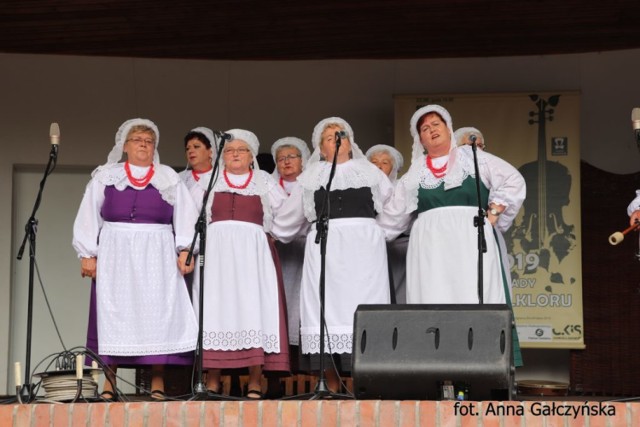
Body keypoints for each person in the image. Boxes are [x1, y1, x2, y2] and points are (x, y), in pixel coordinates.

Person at [381, 105, 526, 365]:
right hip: (430, 248)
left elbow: (513, 180)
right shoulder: (415, 173)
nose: (431, 130)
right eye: (424, 128)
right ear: (420, 140)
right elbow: (392, 218)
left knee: (473, 294)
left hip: (471, 240)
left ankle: (483, 365)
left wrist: (493, 212)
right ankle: (437, 366)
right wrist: (362, 237)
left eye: (436, 124)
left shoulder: (473, 157)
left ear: (448, 128)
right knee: (434, 296)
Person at [72, 118, 199, 401]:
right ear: (125, 146)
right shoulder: (106, 176)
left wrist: (185, 249)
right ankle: (109, 383)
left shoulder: (168, 177)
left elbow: (186, 217)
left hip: (158, 251)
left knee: (159, 313)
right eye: (138, 140)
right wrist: (88, 254)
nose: (144, 145)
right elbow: (88, 215)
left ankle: (157, 381)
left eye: (149, 141)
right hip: (116, 252)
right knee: (113, 313)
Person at [273, 117, 394, 392]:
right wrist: (267, 234)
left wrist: (376, 233)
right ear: (321, 148)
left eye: (341, 134)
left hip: (364, 252)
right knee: (324, 308)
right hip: (326, 246)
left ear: (351, 142)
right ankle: (328, 384)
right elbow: (288, 219)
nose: (336, 139)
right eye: (329, 137)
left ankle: (368, 383)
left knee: (365, 307)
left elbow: (394, 207)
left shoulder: (371, 173)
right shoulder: (311, 177)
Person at [199, 129, 289, 400]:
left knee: (253, 309)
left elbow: (287, 212)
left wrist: (271, 235)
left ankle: (254, 380)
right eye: (229, 150)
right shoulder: (210, 179)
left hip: (253, 256)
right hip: (217, 256)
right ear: (221, 156)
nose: (235, 154)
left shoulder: (264, 181)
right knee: (217, 310)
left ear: (251, 155)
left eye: (241, 150)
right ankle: (213, 380)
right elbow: (191, 216)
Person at [454, 126, 513, 299]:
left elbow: (509, 188)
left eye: (480, 146)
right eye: (470, 145)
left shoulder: (489, 168)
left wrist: (493, 214)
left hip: (482, 234)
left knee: (487, 284)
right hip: (455, 236)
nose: (476, 150)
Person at [270, 137, 310, 354]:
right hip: (277, 252)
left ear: (303, 160)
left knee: (301, 302)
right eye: (280, 158)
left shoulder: (312, 184)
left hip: (304, 251)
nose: (286, 162)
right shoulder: (268, 186)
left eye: (291, 157)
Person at [365, 144, 407, 303]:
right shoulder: (362, 189)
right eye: (374, 162)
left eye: (384, 162)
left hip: (397, 246)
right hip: (370, 247)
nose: (378, 167)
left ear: (394, 167)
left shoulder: (401, 187)